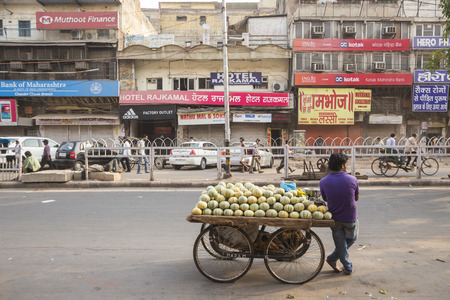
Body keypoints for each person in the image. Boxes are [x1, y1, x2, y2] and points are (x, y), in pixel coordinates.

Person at [319, 153, 359, 275]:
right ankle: (347, 266)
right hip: (350, 217)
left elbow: (325, 198)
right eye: (345, 164)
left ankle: (332, 258)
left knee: (340, 242)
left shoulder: (323, 181)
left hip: (334, 217)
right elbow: (356, 198)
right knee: (352, 238)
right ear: (342, 166)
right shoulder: (353, 179)